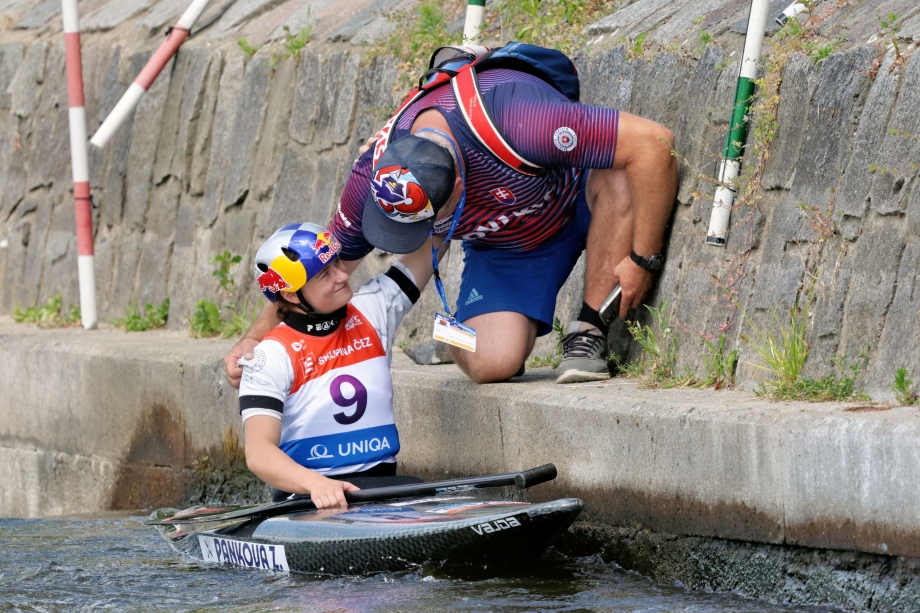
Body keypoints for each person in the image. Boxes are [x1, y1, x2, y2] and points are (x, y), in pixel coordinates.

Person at [226, 53, 676, 387]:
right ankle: (453, 333)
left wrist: (643, 258)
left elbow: (655, 144)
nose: (414, 236)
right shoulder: (374, 173)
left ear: (460, 185)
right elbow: (310, 265)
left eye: (427, 222)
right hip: (509, 247)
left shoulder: (516, 118)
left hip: (578, 196)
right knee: (491, 363)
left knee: (620, 176)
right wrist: (255, 340)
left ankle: (588, 332)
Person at [239, 222, 442, 509]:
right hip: (310, 499)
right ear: (291, 294)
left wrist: (450, 205)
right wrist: (315, 483)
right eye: (325, 273)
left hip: (384, 488)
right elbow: (258, 453)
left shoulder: (373, 308)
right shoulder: (269, 356)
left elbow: (432, 244)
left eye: (336, 262)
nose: (342, 274)